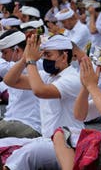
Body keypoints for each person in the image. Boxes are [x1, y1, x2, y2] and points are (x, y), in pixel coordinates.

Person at [2, 34, 84, 170]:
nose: (45, 59)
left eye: (48, 55)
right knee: (3, 144)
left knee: (24, 155)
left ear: (64, 57)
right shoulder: (48, 76)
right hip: (47, 140)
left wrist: (31, 62)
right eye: (44, 55)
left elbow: (40, 91)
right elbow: (10, 81)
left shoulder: (73, 78)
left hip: (68, 145)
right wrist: (24, 59)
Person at [0, 29, 41, 138]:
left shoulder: (35, 65)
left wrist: (25, 58)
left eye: (4, 52)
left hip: (29, 125)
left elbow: (4, 70)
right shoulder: (17, 66)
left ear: (17, 50)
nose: (3, 57)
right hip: (12, 121)